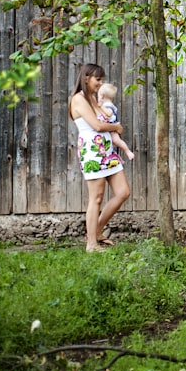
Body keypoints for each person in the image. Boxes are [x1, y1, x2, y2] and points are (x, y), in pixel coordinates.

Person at [68, 63, 131, 252]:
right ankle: (91, 244)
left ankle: (96, 231)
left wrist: (111, 117)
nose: (100, 83)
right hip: (93, 152)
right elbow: (96, 125)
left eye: (101, 80)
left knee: (123, 192)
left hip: (107, 151)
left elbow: (105, 115)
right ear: (86, 78)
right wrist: (116, 128)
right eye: (98, 79)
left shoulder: (91, 98)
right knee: (96, 198)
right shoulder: (78, 99)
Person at [97, 82, 135, 161]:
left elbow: (109, 114)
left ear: (102, 96)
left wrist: (100, 107)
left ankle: (127, 152)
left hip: (112, 130)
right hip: (108, 130)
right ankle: (118, 157)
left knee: (116, 141)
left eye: (98, 95)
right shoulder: (108, 105)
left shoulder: (107, 105)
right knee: (109, 146)